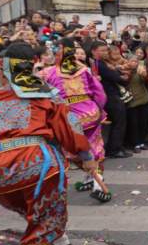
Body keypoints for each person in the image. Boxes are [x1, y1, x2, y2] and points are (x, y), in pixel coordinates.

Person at [0, 43, 96, 245]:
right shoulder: (48, 94)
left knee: (34, 208)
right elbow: (69, 128)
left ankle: (60, 243)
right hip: (36, 164)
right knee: (45, 218)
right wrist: (86, 157)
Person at [43, 38, 111, 202]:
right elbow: (100, 93)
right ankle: (94, 180)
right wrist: (99, 109)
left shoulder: (47, 73)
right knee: (94, 149)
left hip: (67, 118)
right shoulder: (84, 70)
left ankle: (94, 180)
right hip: (90, 115)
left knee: (75, 151)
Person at [90, 41, 132, 159]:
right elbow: (116, 78)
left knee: (118, 122)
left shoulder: (102, 63)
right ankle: (114, 149)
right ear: (94, 51)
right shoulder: (99, 64)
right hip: (109, 96)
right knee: (119, 122)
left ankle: (116, 147)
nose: (105, 53)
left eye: (106, 50)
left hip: (110, 95)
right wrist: (122, 77)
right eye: (102, 50)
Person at [125, 52, 148, 153]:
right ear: (127, 62)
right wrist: (129, 72)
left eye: (136, 61)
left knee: (143, 123)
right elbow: (124, 82)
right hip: (131, 101)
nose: (134, 63)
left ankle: (141, 142)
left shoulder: (141, 70)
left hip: (143, 99)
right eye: (132, 61)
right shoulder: (125, 71)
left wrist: (145, 75)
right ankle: (135, 144)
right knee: (134, 124)